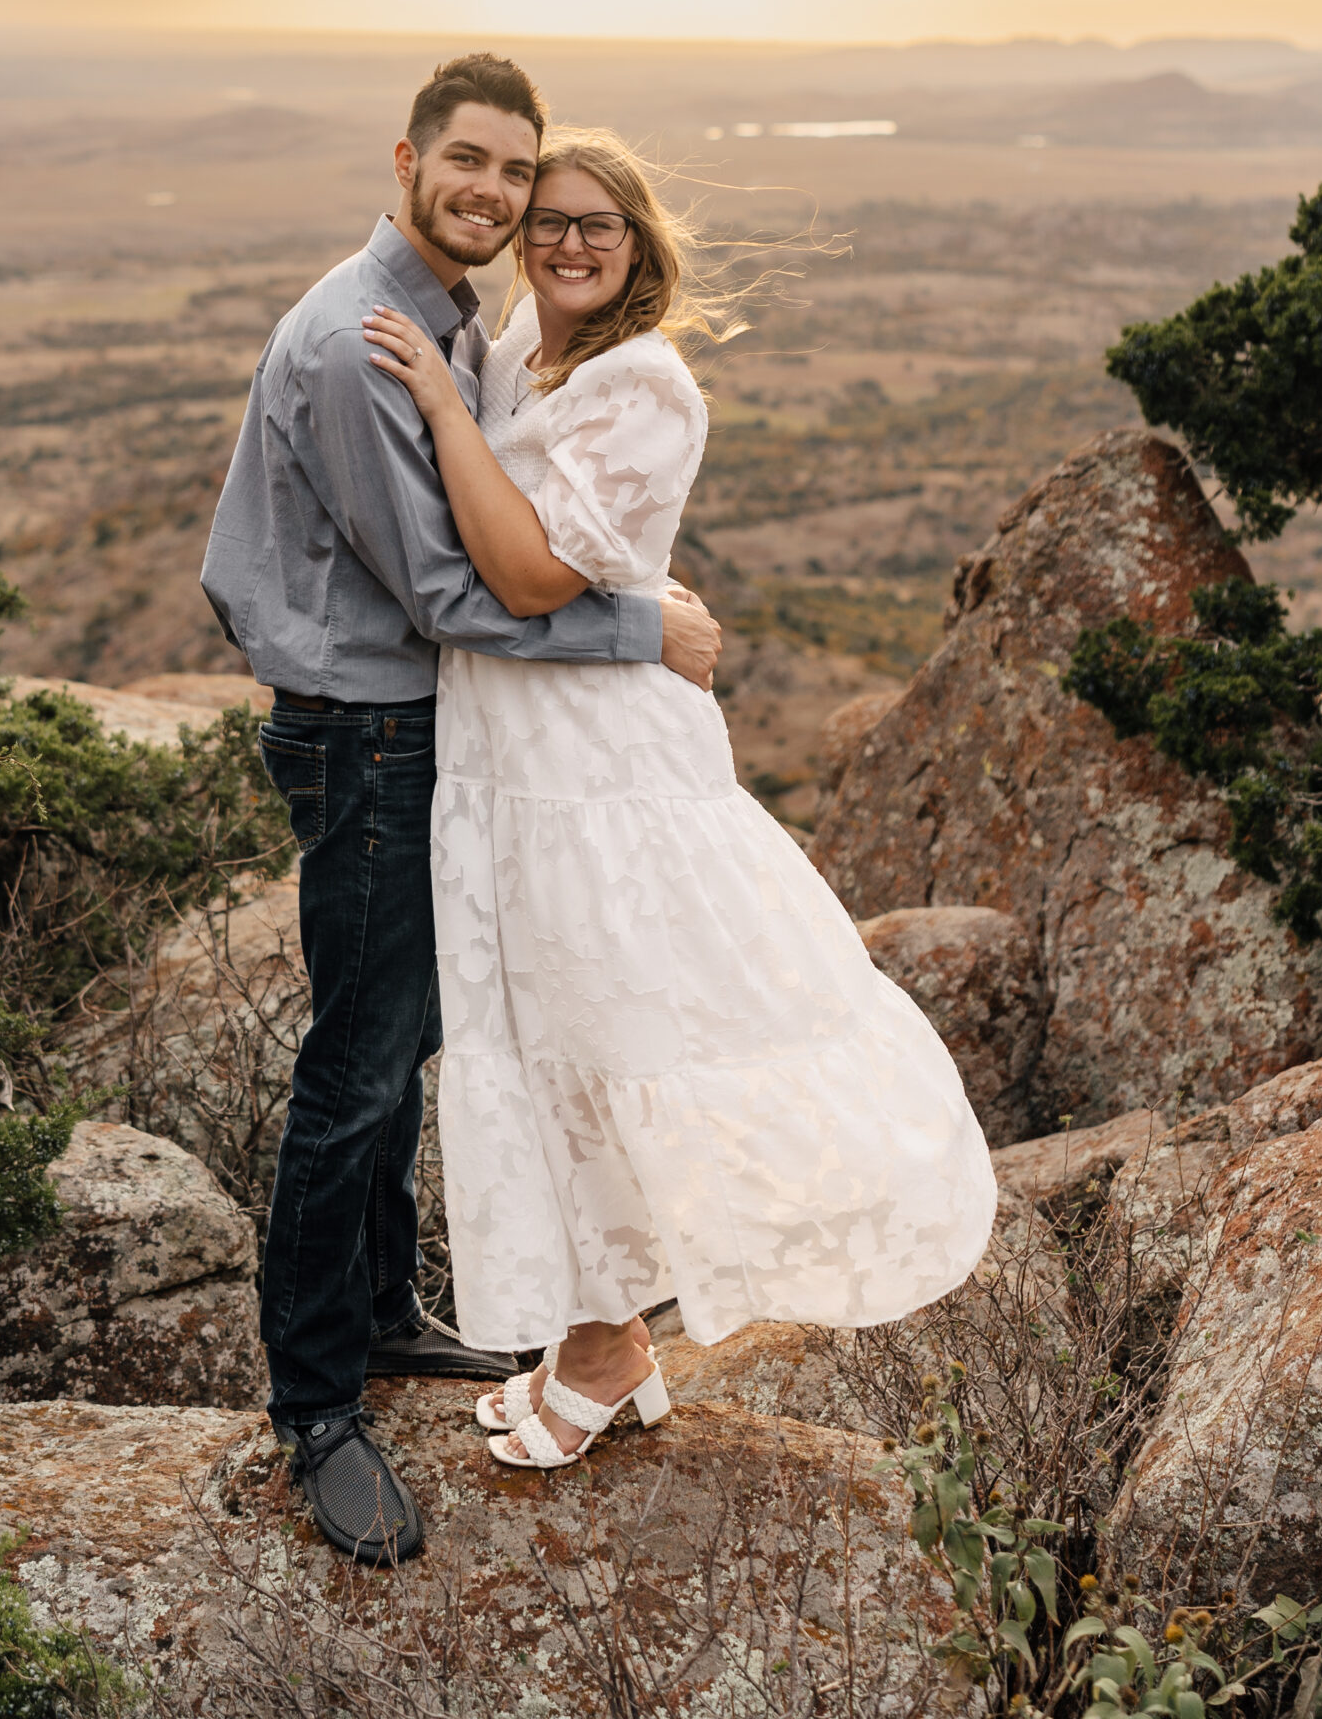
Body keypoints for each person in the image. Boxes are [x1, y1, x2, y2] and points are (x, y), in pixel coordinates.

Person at [361, 125, 998, 1473]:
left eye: (600, 224)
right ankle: (597, 1339)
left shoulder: (644, 382)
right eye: (549, 223)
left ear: (641, 245)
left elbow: (533, 577)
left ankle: (606, 1344)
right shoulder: (519, 351)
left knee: (608, 1033)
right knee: (538, 1040)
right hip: (509, 757)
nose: (570, 243)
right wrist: (465, 398)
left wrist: (438, 410)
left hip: (597, 767)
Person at [201, 56, 722, 1563]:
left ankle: (377, 1317)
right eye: (473, 164)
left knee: (400, 1038)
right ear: (410, 157)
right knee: (357, 1069)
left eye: (519, 172)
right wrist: (648, 630)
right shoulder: (369, 343)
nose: (495, 194)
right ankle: (316, 1413)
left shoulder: (449, 321)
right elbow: (451, 588)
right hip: (365, 737)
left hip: (407, 731)